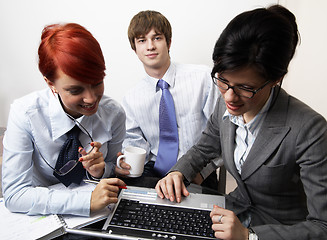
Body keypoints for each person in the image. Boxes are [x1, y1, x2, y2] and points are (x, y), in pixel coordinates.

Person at [155, 5, 327, 239]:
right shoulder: (225, 102)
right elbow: (204, 148)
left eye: (246, 88)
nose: (228, 96)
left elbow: (322, 225)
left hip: (279, 230)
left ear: (277, 79)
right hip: (232, 212)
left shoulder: (310, 129)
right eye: (222, 81)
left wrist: (249, 237)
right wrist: (177, 173)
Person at [2, 23, 126, 216]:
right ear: (50, 83)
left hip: (98, 218)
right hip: (42, 218)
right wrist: (85, 202)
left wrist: (100, 171)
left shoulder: (114, 113)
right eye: (75, 90)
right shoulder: (24, 114)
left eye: (97, 83)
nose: (92, 98)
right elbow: (14, 195)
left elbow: (113, 169)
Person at [116, 10, 221, 189]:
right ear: (135, 48)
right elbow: (134, 144)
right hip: (154, 173)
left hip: (196, 172)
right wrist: (125, 164)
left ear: (169, 42)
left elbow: (222, 131)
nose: (150, 46)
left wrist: (202, 172)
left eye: (157, 38)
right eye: (142, 40)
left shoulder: (202, 78)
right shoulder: (131, 98)